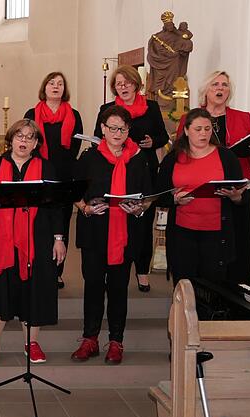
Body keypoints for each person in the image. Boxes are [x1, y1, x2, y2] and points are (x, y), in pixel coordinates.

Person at [0, 119, 66, 364]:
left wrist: (59, 238)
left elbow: (56, 207)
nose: (23, 141)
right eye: (19, 136)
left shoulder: (47, 168)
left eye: (30, 137)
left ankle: (31, 343)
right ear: (11, 139)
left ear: (36, 143)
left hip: (38, 239)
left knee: (34, 290)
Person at [175, 71, 250, 286]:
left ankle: (236, 295)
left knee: (237, 244)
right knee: (206, 250)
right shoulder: (190, 118)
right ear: (206, 90)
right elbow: (179, 153)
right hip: (202, 187)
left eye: (225, 85)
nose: (220, 89)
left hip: (235, 189)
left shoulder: (242, 117)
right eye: (215, 84)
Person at [73, 106, 152, 365]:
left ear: (129, 130)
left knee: (119, 289)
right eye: (113, 128)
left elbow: (148, 196)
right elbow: (74, 192)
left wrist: (139, 207)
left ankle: (116, 341)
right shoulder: (89, 158)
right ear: (103, 129)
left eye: (123, 128)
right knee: (93, 286)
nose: (118, 133)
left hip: (126, 233)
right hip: (95, 232)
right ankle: (90, 339)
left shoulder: (139, 158)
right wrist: (85, 207)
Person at [94, 65, 168, 293]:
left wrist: (151, 143)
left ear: (136, 84)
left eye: (127, 82)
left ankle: (142, 272)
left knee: (142, 223)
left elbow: (162, 136)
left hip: (142, 169)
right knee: (114, 221)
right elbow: (98, 138)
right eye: (118, 83)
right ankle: (113, 268)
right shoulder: (107, 108)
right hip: (114, 172)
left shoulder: (151, 107)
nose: (123, 86)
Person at [159, 108, 244, 286]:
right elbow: (160, 195)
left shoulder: (226, 157)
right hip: (182, 232)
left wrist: (235, 196)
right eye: (198, 129)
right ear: (186, 131)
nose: (203, 133)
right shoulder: (173, 158)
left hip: (216, 232)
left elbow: (241, 196)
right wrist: (175, 199)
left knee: (213, 285)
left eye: (207, 129)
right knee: (184, 284)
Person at [24, 72, 83, 289]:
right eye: (51, 83)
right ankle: (36, 267)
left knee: (61, 224)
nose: (55, 86)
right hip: (37, 173)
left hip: (63, 177)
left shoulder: (74, 115)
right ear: (44, 87)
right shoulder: (32, 113)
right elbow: (27, 142)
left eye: (60, 84)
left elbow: (75, 148)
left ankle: (57, 271)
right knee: (37, 223)